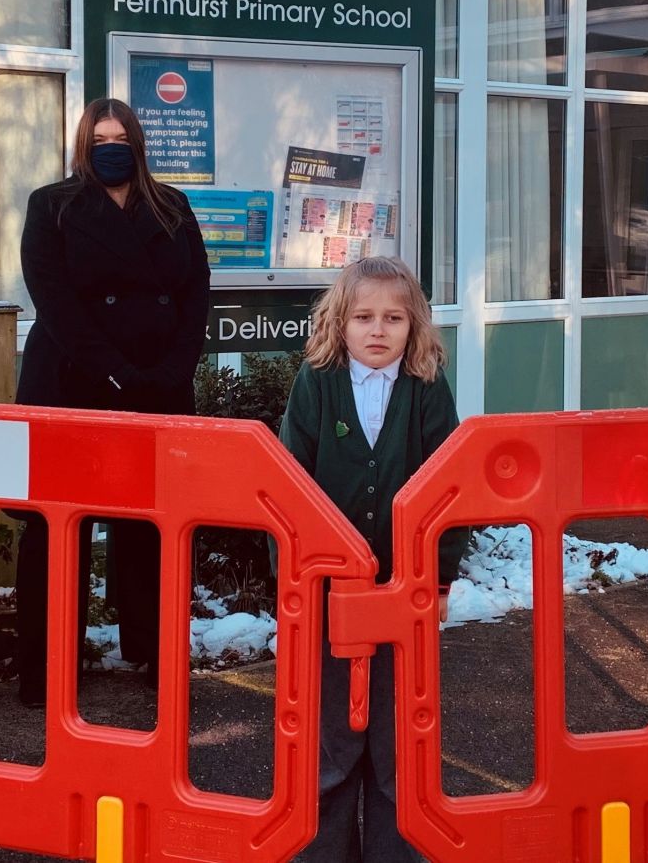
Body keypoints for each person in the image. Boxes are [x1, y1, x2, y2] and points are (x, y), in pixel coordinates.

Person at [14, 98, 210, 705]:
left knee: (155, 526)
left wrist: (172, 372)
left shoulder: (172, 206)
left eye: (121, 135)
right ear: (83, 145)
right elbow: (53, 298)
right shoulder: (53, 206)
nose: (111, 146)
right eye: (99, 137)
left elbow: (195, 292)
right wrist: (116, 372)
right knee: (57, 527)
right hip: (72, 383)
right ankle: (47, 668)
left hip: (158, 386)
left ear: (139, 142)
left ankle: (156, 652)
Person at [277, 256, 466, 863]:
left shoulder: (427, 386)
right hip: (331, 599)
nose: (377, 330)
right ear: (340, 322)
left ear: (414, 326)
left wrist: (437, 579)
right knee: (331, 746)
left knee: (395, 748)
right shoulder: (317, 381)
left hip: (402, 597)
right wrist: (296, 582)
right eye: (363, 317)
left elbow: (449, 489)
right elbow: (289, 484)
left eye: (393, 318)